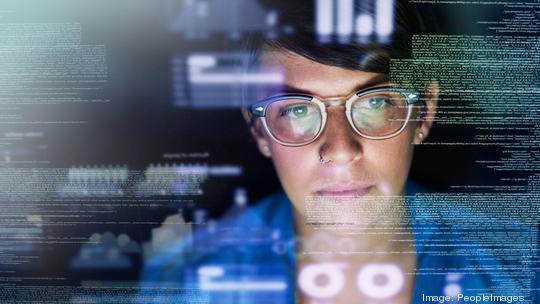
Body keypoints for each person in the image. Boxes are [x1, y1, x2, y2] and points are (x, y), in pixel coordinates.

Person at [138, 1, 537, 303]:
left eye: (375, 103)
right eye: (297, 110)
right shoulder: (184, 282)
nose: (341, 150)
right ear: (259, 127)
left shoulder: (524, 271)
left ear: (424, 112)